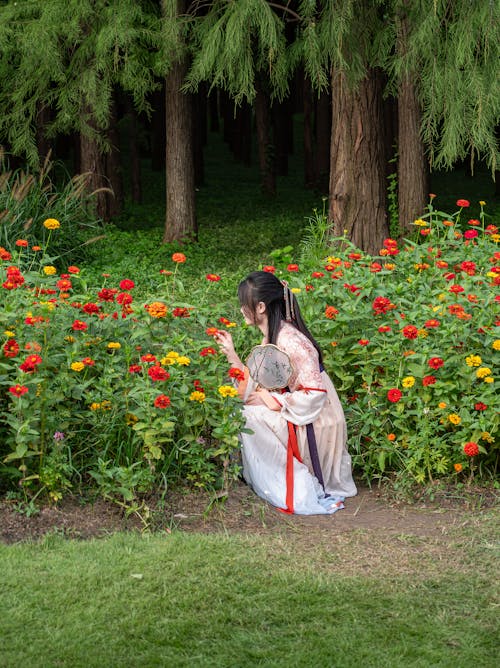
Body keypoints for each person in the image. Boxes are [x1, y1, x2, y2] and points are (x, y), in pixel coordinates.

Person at [215, 270, 357, 515]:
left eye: (243, 304)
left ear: (260, 307)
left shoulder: (291, 340)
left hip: (318, 419)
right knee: (241, 409)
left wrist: (271, 400)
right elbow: (254, 385)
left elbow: (315, 394)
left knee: (247, 417)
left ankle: (292, 483)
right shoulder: (273, 335)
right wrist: (232, 355)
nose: (241, 310)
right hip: (298, 410)